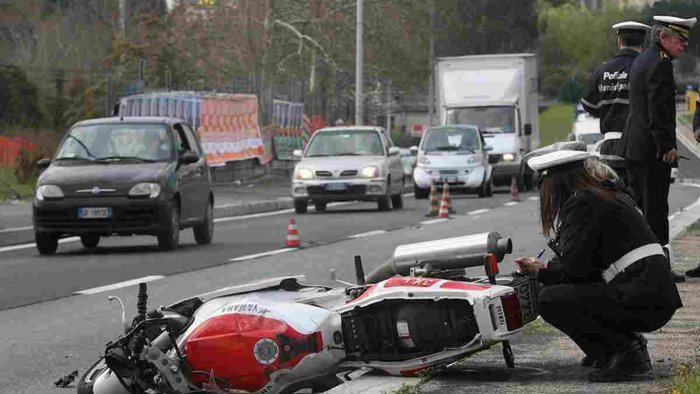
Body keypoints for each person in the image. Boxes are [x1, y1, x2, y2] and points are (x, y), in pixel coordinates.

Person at [515, 149, 682, 382]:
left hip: (641, 295)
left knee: (549, 299)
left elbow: (574, 270)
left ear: (555, 182)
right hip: (650, 293)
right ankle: (620, 348)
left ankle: (625, 353)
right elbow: (587, 261)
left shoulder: (583, 202)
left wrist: (540, 271)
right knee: (569, 292)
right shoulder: (605, 195)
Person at [621, 15, 696, 282]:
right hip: (652, 151)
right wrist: (667, 146)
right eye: (680, 39)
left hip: (635, 148)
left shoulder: (644, 59)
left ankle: (644, 266)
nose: (684, 45)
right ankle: (658, 269)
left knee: (642, 211)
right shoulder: (660, 65)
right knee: (655, 212)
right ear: (663, 38)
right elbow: (659, 110)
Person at [580, 21, 650, 184]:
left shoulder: (603, 70)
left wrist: (609, 111)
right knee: (640, 200)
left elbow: (589, 105)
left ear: (619, 41)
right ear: (644, 43)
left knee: (613, 199)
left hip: (609, 148)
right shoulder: (648, 68)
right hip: (639, 147)